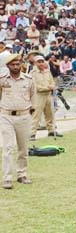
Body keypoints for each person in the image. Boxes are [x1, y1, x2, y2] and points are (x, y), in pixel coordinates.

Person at [0, 53, 34, 189]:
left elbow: (33, 97)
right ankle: (7, 178)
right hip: (6, 116)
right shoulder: (2, 80)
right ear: (8, 66)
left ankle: (22, 174)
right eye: (13, 64)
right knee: (8, 148)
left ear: (21, 64)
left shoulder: (28, 79)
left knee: (23, 148)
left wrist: (31, 113)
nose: (15, 66)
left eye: (18, 64)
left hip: (24, 116)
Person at [29, 55, 60, 140]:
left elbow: (52, 82)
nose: (41, 63)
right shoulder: (32, 73)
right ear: (35, 63)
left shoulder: (47, 72)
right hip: (38, 96)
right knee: (36, 115)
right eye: (39, 62)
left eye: (42, 61)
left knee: (50, 114)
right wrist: (48, 88)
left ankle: (51, 131)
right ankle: (32, 133)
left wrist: (52, 86)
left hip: (48, 96)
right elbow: (36, 87)